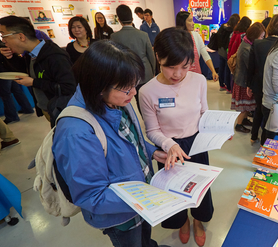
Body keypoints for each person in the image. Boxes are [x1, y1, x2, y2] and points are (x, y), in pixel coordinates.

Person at [52, 40, 169, 247]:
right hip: (120, 216)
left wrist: (151, 152)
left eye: (135, 84)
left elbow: (127, 140)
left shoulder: (117, 100)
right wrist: (147, 198)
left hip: (142, 203)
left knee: (145, 238)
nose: (133, 93)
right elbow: (91, 195)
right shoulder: (76, 132)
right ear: (98, 86)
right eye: (126, 89)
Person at [139, 28, 213, 247]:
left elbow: (204, 114)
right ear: (158, 57)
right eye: (171, 67)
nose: (178, 74)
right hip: (169, 149)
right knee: (174, 192)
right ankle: (182, 222)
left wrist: (216, 130)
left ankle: (198, 221)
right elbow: (151, 130)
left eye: (184, 66)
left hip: (197, 143)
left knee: (199, 189)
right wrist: (169, 144)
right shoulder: (147, 91)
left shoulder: (198, 80)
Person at [0, 16, 76, 126]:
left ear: (21, 36)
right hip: (49, 109)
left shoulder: (54, 56)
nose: (3, 41)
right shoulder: (31, 54)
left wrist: (33, 82)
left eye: (4, 36)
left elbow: (68, 87)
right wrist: (10, 57)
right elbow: (24, 70)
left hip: (63, 112)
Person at [247, 15, 278, 145]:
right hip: (274, 90)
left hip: (259, 85)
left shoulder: (258, 43)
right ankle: (263, 141)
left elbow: (251, 67)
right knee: (271, 120)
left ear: (269, 27)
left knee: (259, 110)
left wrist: (249, 85)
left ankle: (253, 136)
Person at [111, 4, 155, 114]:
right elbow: (151, 55)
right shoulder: (143, 35)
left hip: (127, 74)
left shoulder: (114, 37)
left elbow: (115, 59)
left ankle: (145, 120)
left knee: (138, 100)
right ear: (132, 18)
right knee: (151, 98)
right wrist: (153, 71)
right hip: (145, 73)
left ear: (119, 20)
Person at [231, 22, 265, 133]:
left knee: (247, 105)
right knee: (244, 106)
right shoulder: (247, 48)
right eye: (261, 37)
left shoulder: (246, 43)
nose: (262, 39)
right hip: (243, 82)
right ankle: (239, 124)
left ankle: (244, 120)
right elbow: (251, 67)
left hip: (243, 80)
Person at [175, 11, 218, 82]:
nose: (193, 23)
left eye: (192, 20)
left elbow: (205, 54)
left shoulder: (196, 36)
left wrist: (213, 71)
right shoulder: (175, 38)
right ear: (182, 22)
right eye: (190, 21)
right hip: (181, 77)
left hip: (196, 75)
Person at [227, 16, 251, 93]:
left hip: (232, 56)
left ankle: (231, 90)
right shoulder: (244, 36)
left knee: (232, 74)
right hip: (238, 57)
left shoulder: (234, 32)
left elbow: (230, 44)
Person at [216, 14, 240, 92]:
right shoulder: (231, 30)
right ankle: (228, 87)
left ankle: (221, 85)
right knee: (227, 69)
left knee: (221, 68)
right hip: (226, 51)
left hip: (220, 50)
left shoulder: (222, 26)